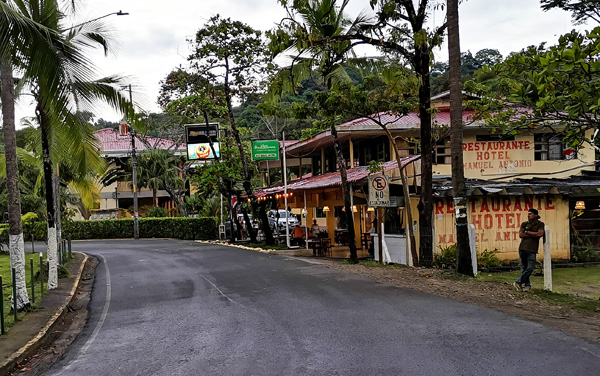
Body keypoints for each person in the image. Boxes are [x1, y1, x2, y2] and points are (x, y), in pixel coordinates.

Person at [514, 208, 545, 292]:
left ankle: (518, 281)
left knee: (530, 268)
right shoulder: (524, 224)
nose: (529, 216)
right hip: (523, 248)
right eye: (528, 214)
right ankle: (527, 285)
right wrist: (533, 234)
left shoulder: (540, 224)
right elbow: (521, 234)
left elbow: (540, 234)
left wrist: (528, 232)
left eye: (530, 214)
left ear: (535, 215)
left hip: (532, 249)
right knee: (524, 268)